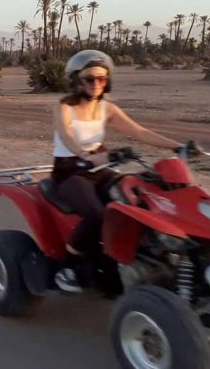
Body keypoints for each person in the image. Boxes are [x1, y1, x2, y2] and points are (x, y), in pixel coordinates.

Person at [51, 50, 183, 293]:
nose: (96, 84)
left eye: (102, 79)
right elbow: (68, 138)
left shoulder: (107, 108)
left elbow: (140, 132)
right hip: (70, 172)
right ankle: (69, 266)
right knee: (97, 214)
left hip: (101, 170)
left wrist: (179, 146)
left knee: (137, 204)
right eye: (90, 78)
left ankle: (126, 260)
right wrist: (87, 155)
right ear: (76, 80)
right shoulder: (63, 108)